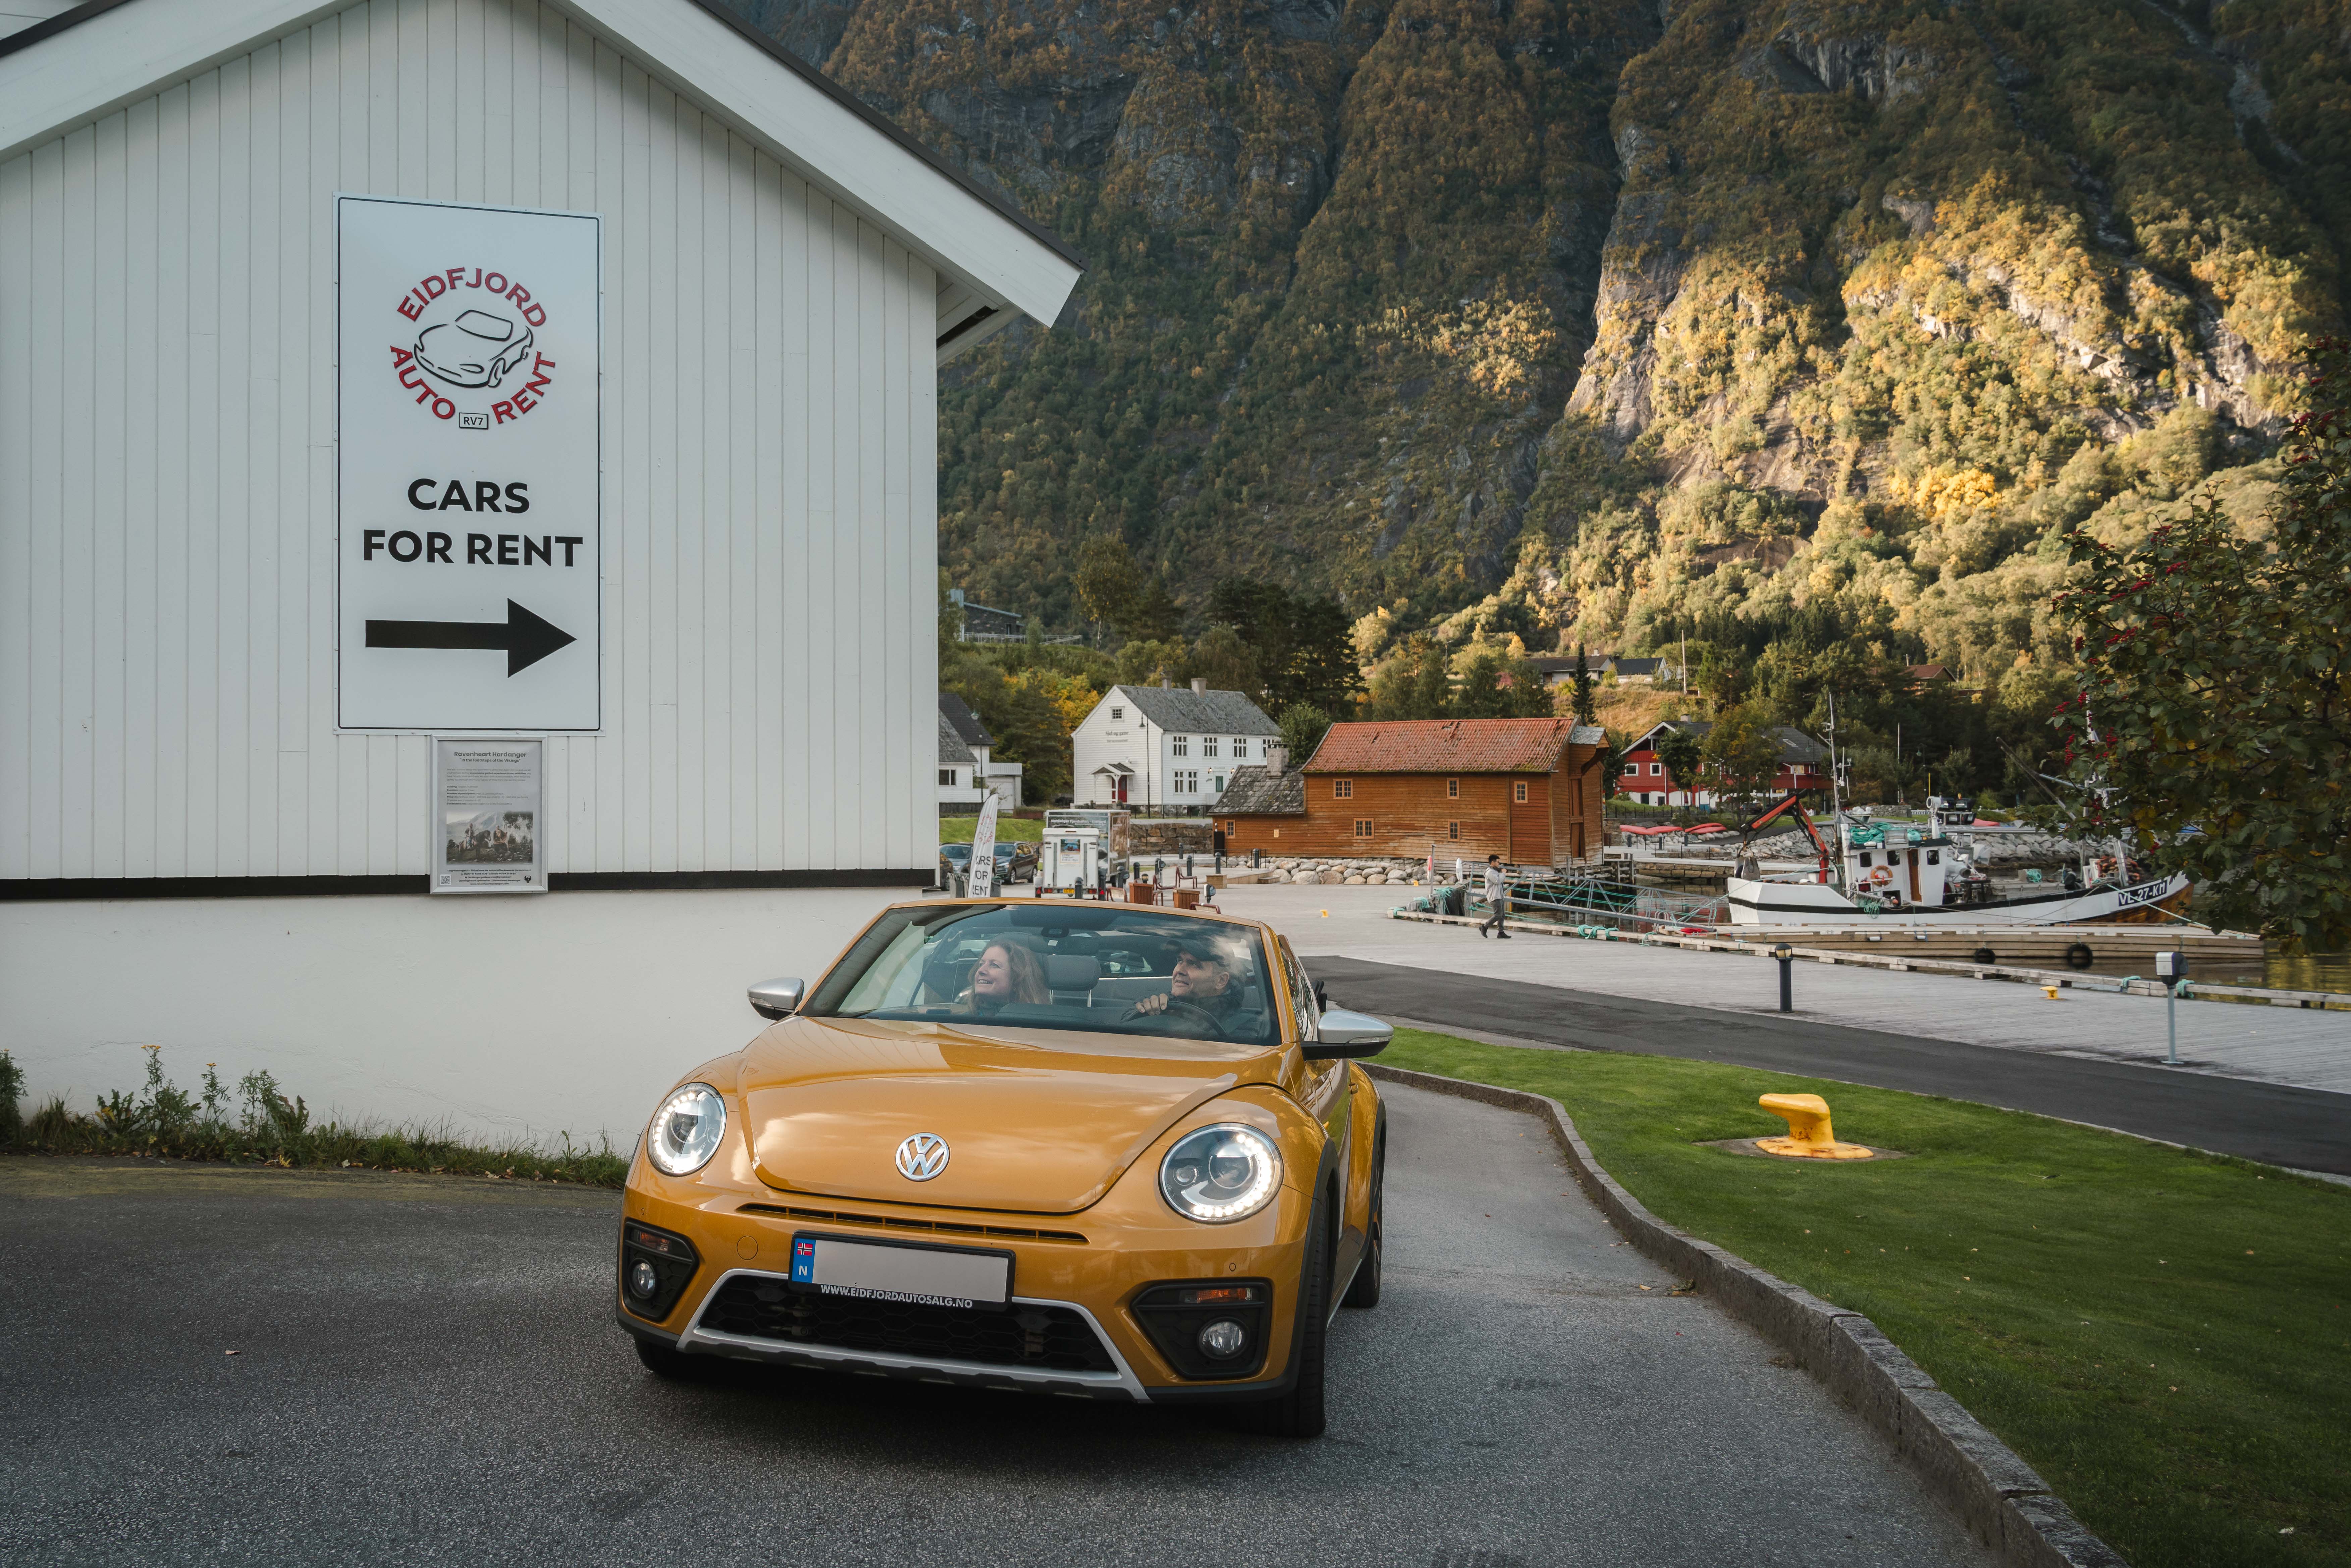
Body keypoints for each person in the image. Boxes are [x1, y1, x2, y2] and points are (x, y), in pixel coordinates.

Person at [1125, 932, 1250, 1035]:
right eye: (1180, 961)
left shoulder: (1247, 1028)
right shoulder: (1158, 1005)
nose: (1179, 970)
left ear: (1221, 981)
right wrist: (1147, 1012)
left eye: (1194, 964)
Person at [962, 940, 1049, 1013]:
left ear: (1017, 978)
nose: (981, 970)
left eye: (994, 965)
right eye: (981, 964)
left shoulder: (1037, 1025)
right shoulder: (960, 1022)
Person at [1479, 853, 1512, 939]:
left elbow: (1500, 881)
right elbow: (1497, 881)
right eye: (1498, 862)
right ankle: (1484, 927)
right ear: (1493, 862)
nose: (1499, 864)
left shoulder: (1495, 871)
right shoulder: (1490, 872)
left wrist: (1501, 874)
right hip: (1494, 896)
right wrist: (1503, 873)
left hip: (1500, 896)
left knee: (1502, 915)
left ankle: (1501, 932)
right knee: (1498, 915)